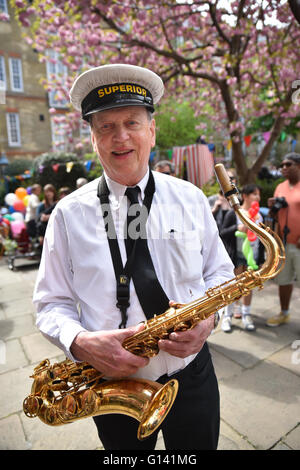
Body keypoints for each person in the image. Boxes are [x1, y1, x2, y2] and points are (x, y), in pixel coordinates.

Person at [33, 64, 234, 451]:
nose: (120, 136)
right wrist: (79, 342)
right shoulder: (66, 215)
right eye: (105, 126)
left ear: (152, 131)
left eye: (132, 122)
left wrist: (208, 318)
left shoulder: (190, 198)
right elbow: (50, 303)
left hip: (191, 373)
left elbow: (220, 271)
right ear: (93, 138)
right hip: (110, 385)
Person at [220, 184, 264, 332]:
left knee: (249, 286)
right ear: (244, 196)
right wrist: (236, 229)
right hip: (236, 256)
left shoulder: (259, 215)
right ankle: (228, 316)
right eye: (254, 194)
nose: (257, 197)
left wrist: (262, 259)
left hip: (253, 257)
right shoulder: (235, 213)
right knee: (233, 287)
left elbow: (263, 238)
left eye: (258, 194)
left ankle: (246, 314)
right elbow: (222, 233)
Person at [266, 153, 300, 327]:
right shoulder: (280, 187)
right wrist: (272, 207)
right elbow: (276, 215)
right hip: (284, 243)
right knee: (283, 281)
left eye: (289, 164)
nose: (284, 167)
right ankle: (284, 312)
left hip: (299, 245)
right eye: (282, 165)